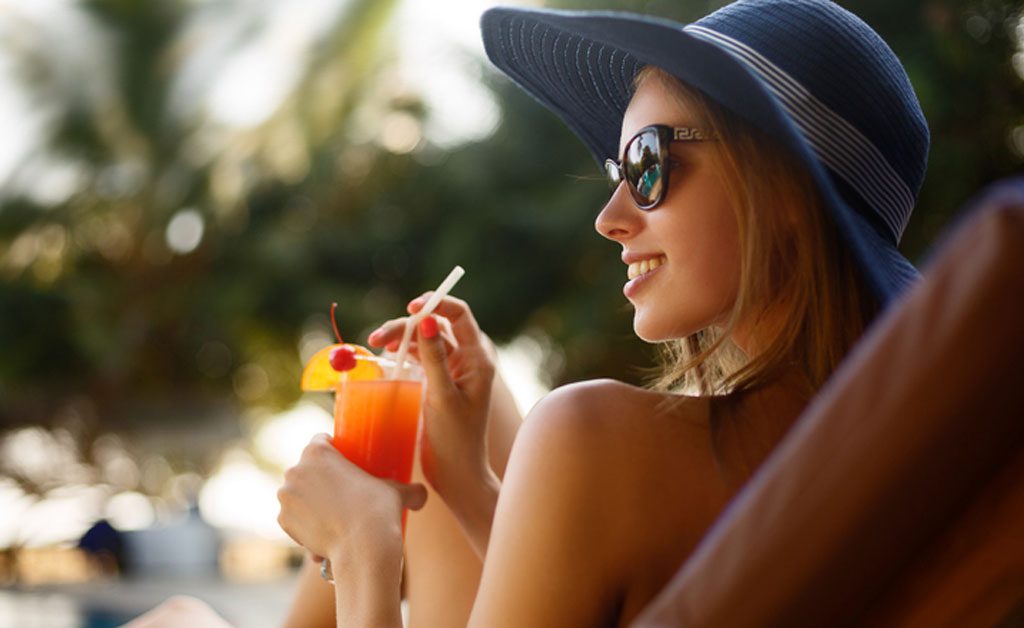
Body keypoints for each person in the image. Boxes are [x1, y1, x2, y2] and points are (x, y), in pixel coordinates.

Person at [134, 0, 930, 625]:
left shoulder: (596, 440)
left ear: (787, 190)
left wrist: (363, 550)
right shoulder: (904, 471)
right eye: (619, 169)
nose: (611, 215)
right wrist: (470, 484)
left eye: (649, 166)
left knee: (177, 621)